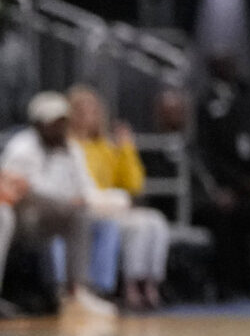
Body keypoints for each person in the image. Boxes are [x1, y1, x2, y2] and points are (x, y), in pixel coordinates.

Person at [0, 93, 118, 319]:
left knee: (83, 216)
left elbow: (86, 189)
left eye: (63, 122)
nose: (59, 128)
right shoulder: (22, 147)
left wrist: (107, 200)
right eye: (54, 123)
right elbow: (18, 188)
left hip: (54, 216)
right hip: (23, 217)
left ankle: (76, 292)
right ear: (38, 124)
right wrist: (67, 200)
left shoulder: (72, 150)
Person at [67, 85, 170, 310]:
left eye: (94, 111)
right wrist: (112, 200)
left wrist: (126, 148)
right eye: (83, 111)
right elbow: (81, 187)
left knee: (156, 222)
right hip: (91, 206)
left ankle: (151, 284)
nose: (89, 117)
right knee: (137, 227)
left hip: (112, 204)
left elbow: (134, 184)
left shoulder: (104, 146)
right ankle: (130, 286)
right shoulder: (70, 147)